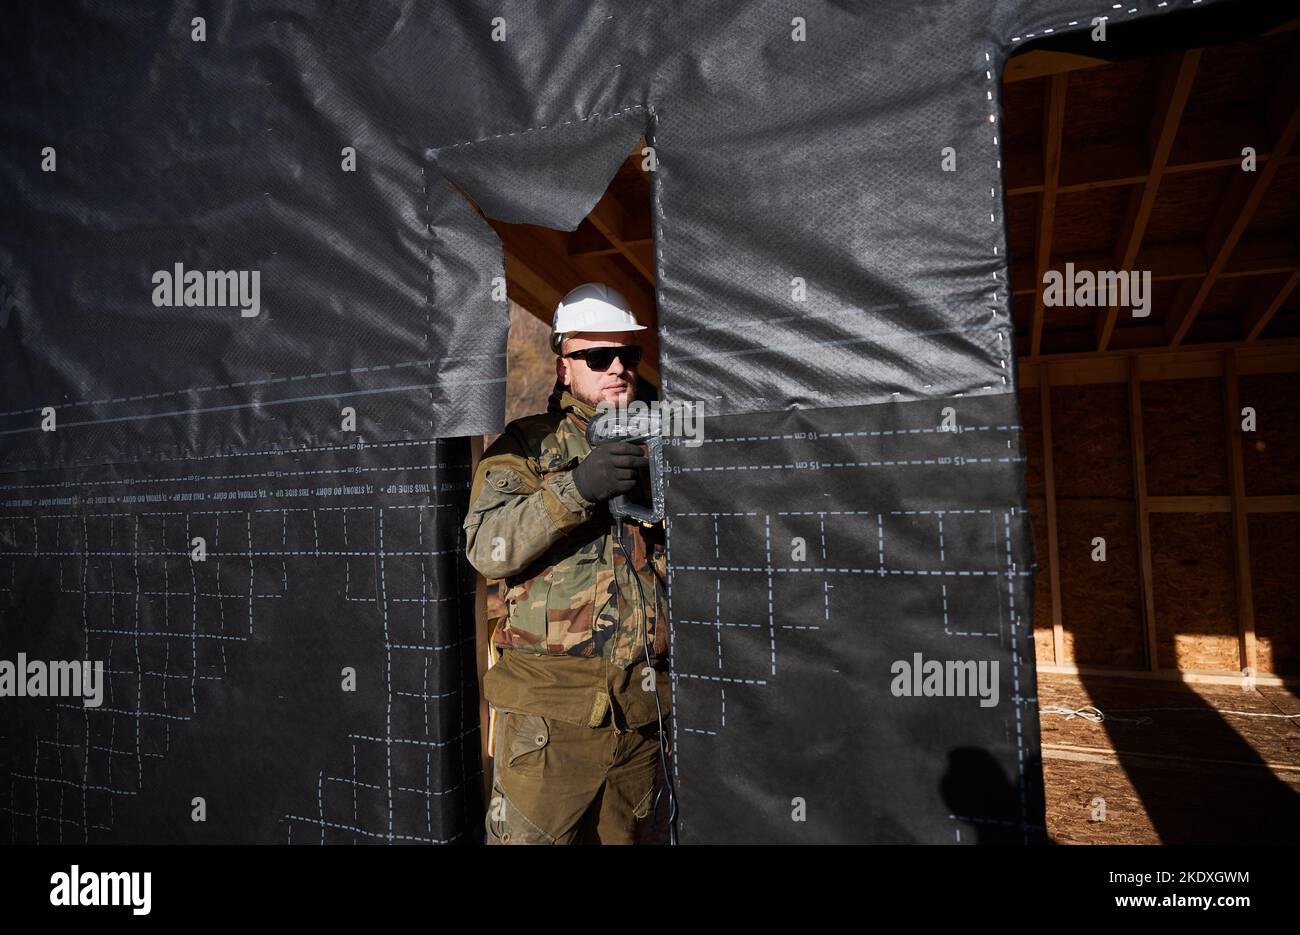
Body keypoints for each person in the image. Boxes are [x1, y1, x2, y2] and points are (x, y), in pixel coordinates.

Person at [463, 282, 672, 844]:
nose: (618, 369)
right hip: (549, 726)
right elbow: (488, 548)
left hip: (641, 718)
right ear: (563, 368)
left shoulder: (666, 444)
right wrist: (577, 488)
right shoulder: (527, 446)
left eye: (627, 355)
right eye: (597, 357)